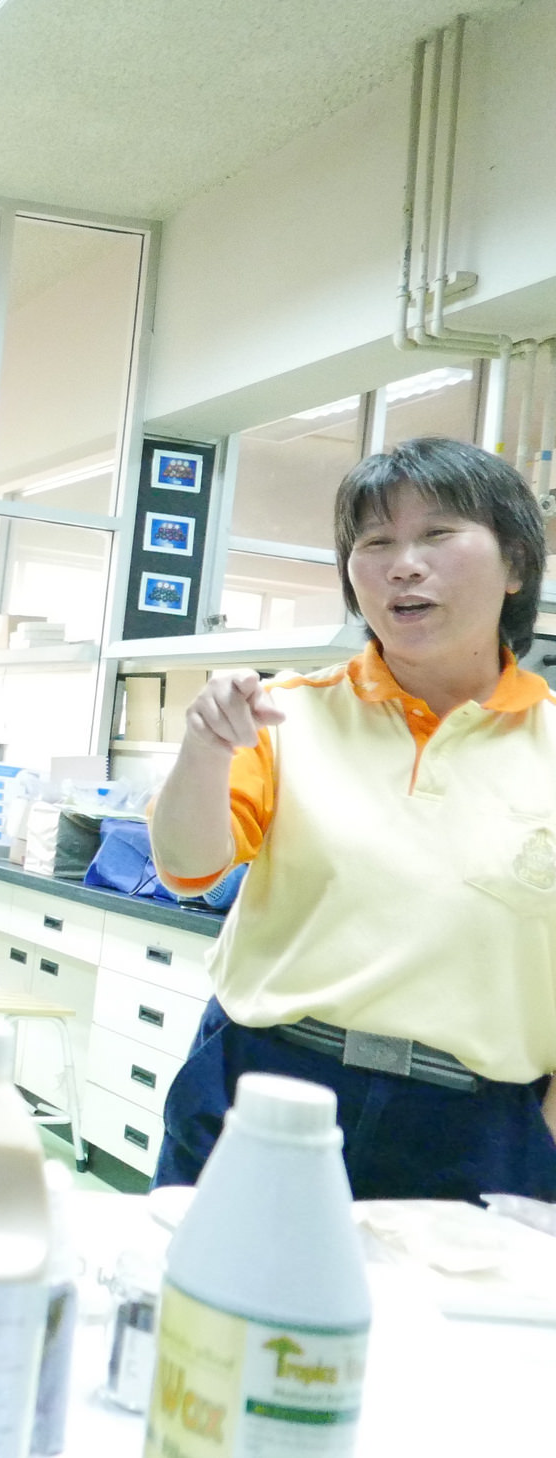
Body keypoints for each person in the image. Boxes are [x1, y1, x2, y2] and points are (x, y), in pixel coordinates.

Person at [150, 436, 556, 1202]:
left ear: (515, 566)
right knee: (210, 1315)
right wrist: (205, 748)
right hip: (269, 1081)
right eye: (376, 542)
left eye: (437, 534)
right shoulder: (285, 713)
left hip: (475, 1128)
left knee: (443, 1327)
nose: (403, 563)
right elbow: (186, 866)